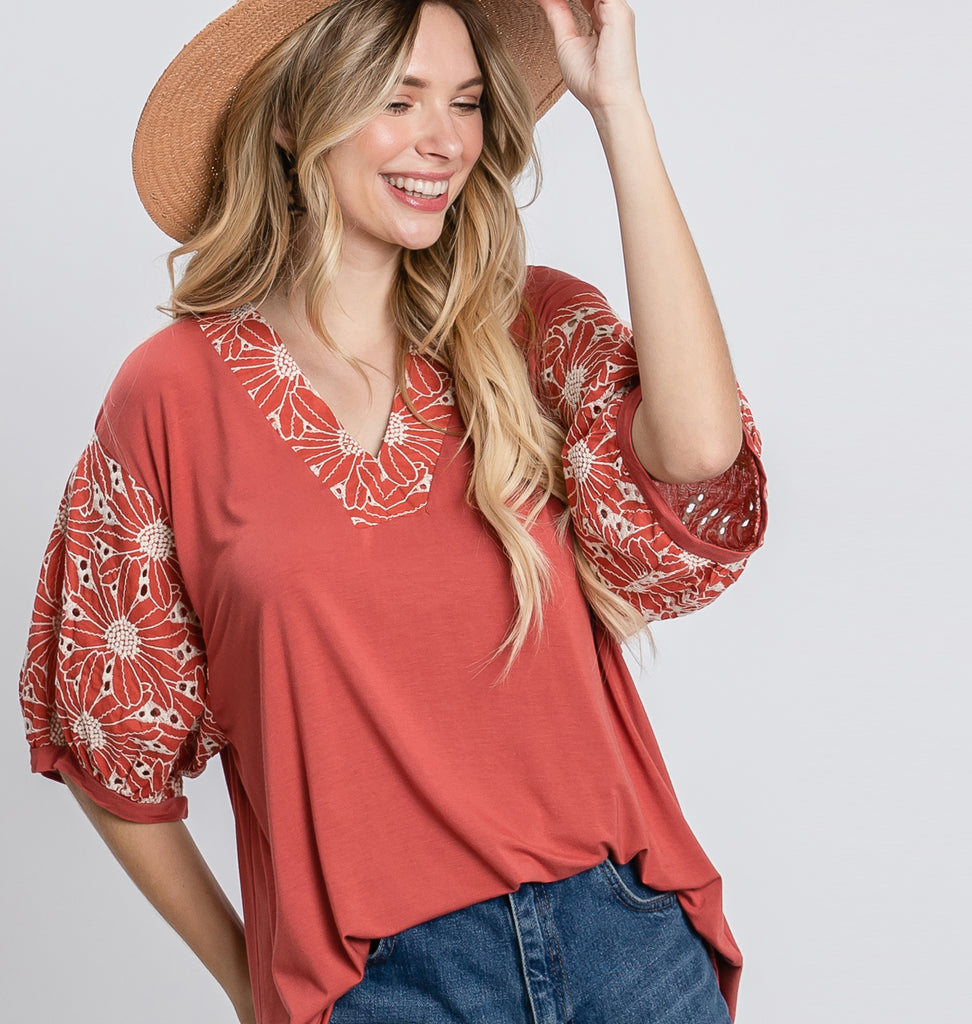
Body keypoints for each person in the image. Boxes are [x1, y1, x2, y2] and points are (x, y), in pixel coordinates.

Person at [18, 0, 766, 1022]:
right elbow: (105, 736)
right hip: (383, 985)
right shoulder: (171, 395)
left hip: (625, 944)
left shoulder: (525, 329)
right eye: (398, 99)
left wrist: (618, 108)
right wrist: (248, 981)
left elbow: (699, 451)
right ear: (294, 117)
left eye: (466, 102)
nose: (443, 139)